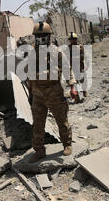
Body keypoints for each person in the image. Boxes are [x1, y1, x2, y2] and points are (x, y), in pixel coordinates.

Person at [27, 22, 78, 163]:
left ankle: (67, 144)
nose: (41, 38)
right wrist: (30, 94)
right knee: (37, 124)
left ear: (49, 37)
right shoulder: (31, 53)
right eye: (38, 36)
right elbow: (29, 75)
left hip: (54, 92)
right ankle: (39, 151)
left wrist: (72, 87)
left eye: (44, 36)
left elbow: (67, 69)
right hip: (37, 94)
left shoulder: (56, 51)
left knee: (61, 121)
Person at [68, 32, 88, 99]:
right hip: (72, 67)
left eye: (73, 39)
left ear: (76, 39)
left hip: (80, 66)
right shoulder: (68, 48)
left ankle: (84, 91)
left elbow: (83, 56)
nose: (72, 40)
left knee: (82, 80)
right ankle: (77, 96)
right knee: (74, 81)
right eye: (71, 39)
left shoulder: (80, 47)